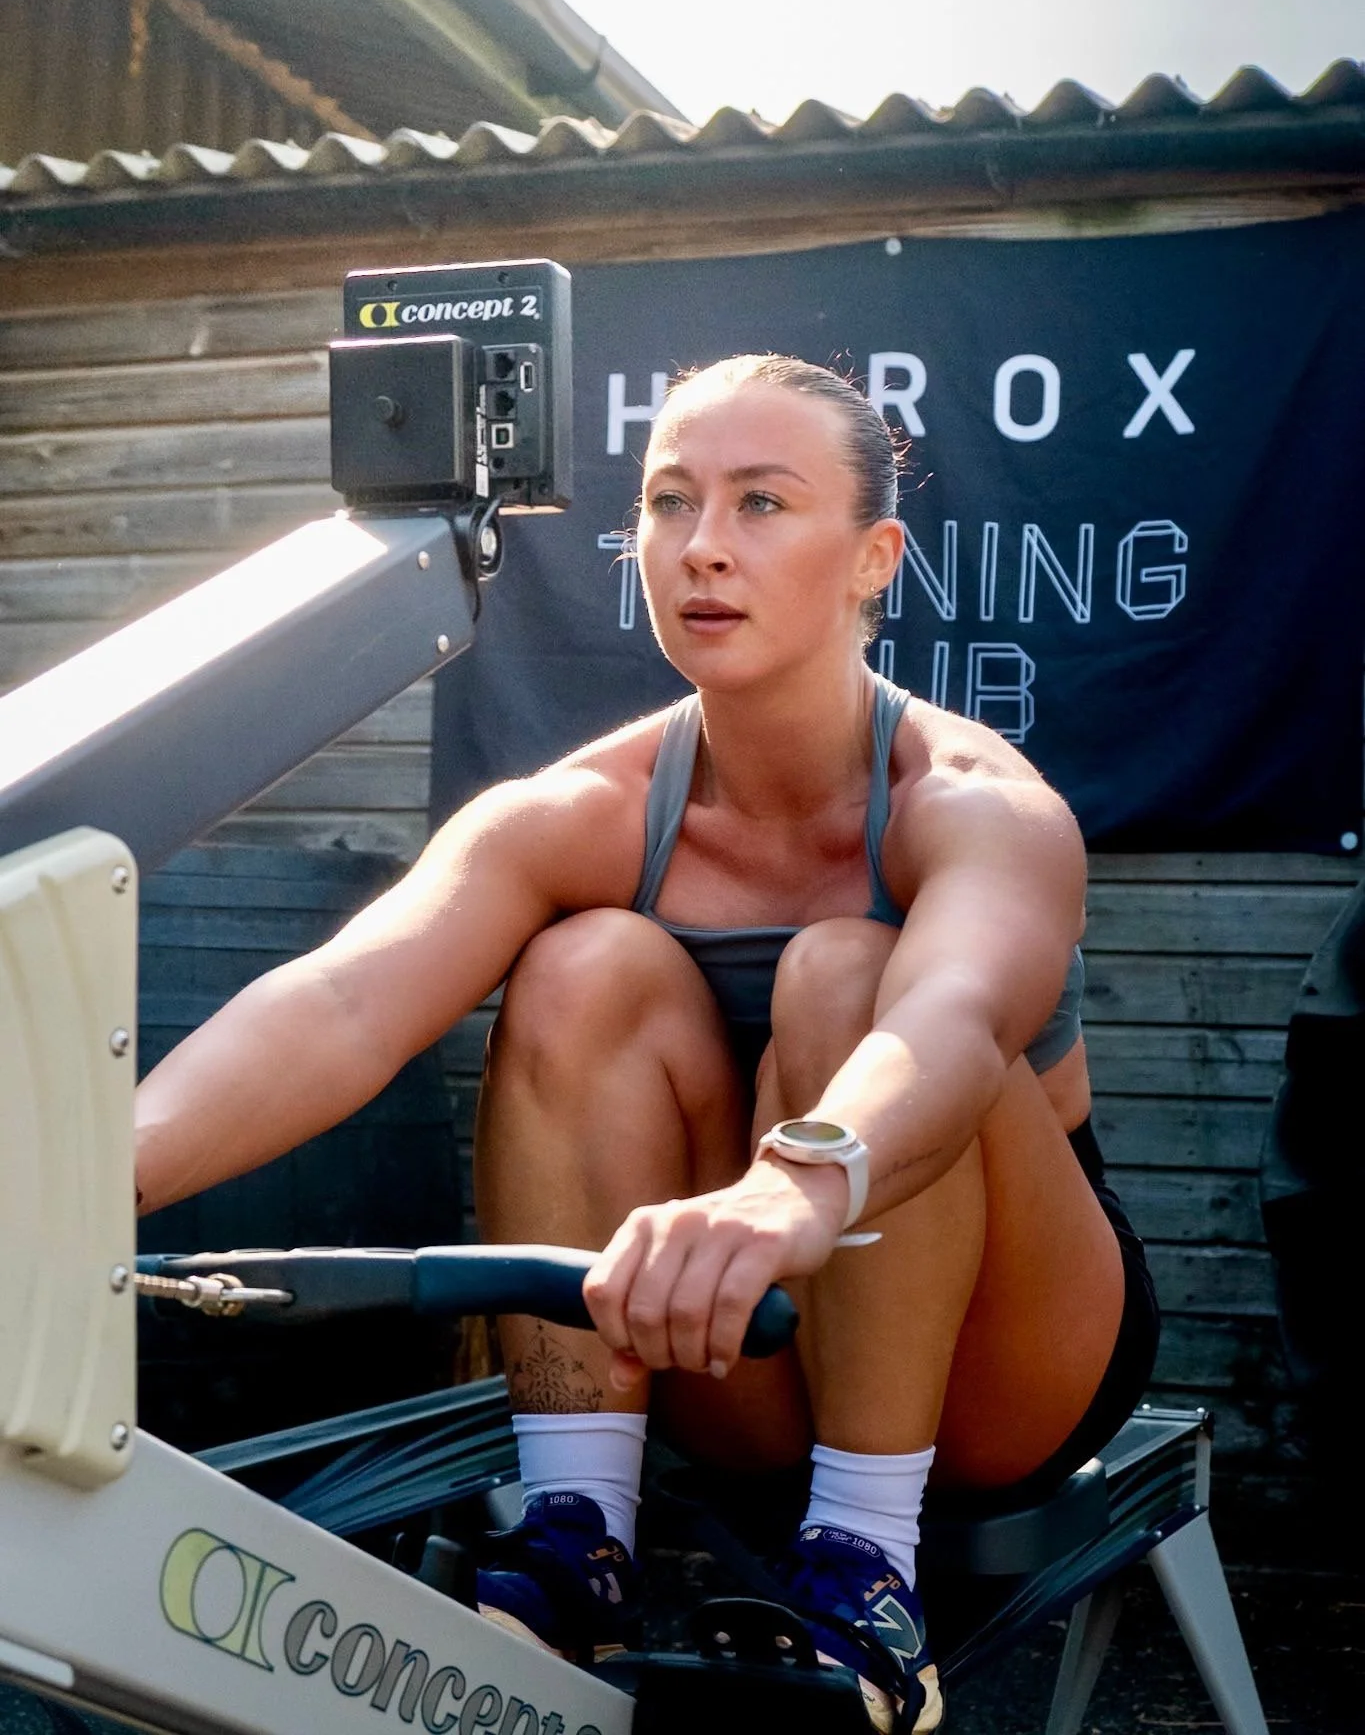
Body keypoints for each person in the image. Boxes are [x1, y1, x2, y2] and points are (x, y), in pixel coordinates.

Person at [135, 355, 1159, 1734]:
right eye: (671, 502)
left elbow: (953, 1021)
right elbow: (343, 1001)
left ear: (874, 559)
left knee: (847, 972)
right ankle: (577, 1538)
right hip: (745, 1342)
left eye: (762, 503)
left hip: (1010, 1365)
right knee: (579, 964)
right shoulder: (585, 807)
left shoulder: (975, 800)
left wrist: (791, 1190)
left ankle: (868, 1572)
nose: (706, 547)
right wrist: (90, 1173)